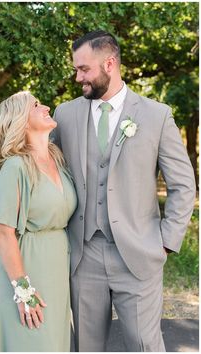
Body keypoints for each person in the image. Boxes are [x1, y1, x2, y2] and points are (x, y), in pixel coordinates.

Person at [52, 30, 196, 351]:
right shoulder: (65, 115)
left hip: (139, 252)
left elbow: (183, 184)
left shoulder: (156, 115)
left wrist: (167, 242)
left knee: (144, 345)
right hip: (83, 254)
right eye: (76, 69)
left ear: (110, 63)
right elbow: (48, 175)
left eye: (84, 69)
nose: (78, 77)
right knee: (85, 347)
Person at [0, 92, 77, 352]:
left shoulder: (59, 160)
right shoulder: (15, 167)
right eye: (35, 105)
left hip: (55, 270)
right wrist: (24, 291)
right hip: (23, 273)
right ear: (20, 120)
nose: (45, 106)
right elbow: (3, 233)